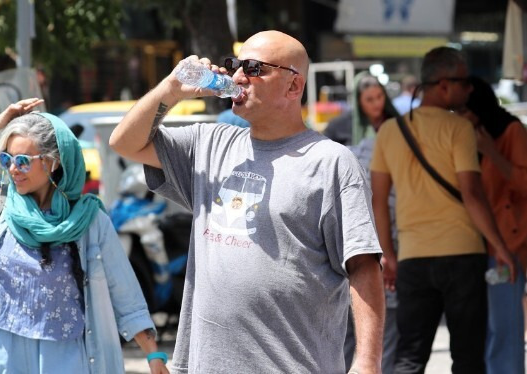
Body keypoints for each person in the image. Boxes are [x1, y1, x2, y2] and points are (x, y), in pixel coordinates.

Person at [110, 30, 385, 374]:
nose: (238, 76)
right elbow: (124, 143)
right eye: (236, 65)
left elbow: (364, 266)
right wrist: (171, 89)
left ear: (293, 86)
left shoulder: (331, 162)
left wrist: (367, 362)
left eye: (254, 68)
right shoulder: (209, 143)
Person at [0, 99, 169, 374]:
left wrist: (153, 355)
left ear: (52, 163)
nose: (13, 169)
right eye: (7, 159)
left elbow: (126, 293)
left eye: (23, 161)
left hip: (69, 361)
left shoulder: (89, 220)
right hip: (1, 360)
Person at [370, 47, 515, 373]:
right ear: (444, 85)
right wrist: (501, 248)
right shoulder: (459, 129)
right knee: (467, 358)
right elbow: (472, 194)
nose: (470, 89)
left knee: (409, 356)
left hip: (412, 258)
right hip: (462, 254)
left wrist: (388, 255)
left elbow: (378, 199)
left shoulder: (390, 132)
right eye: (464, 82)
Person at [459, 76, 527, 374]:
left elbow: (524, 182)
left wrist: (491, 152)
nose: (460, 116)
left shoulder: (509, 131)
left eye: (465, 109)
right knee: (487, 330)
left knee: (505, 329)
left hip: (509, 245)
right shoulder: (466, 137)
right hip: (478, 245)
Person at [343, 72, 400, 374]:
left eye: (380, 97)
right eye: (369, 99)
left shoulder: (398, 126)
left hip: (394, 223)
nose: (377, 104)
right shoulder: (343, 130)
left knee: (388, 312)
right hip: (360, 227)